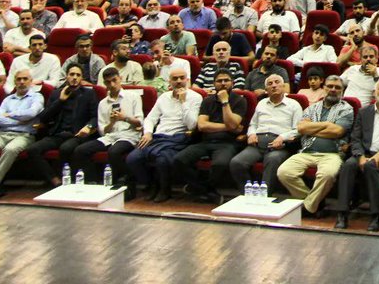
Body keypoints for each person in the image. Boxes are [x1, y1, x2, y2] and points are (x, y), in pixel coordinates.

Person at [334, 80, 379, 231]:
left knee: (370, 166)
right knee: (348, 165)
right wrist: (360, 155)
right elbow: (355, 138)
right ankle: (342, 213)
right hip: (364, 153)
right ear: (375, 92)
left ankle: (376, 215)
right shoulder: (363, 112)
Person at [278, 75, 355, 217]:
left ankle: (307, 208)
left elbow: (337, 131)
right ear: (324, 88)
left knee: (327, 174)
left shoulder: (346, 109)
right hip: (306, 151)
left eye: (337, 87)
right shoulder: (312, 108)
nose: (333, 89)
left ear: (342, 91)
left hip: (332, 154)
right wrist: (326, 125)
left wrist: (312, 128)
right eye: (330, 86)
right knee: (284, 172)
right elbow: (301, 129)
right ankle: (315, 203)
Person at [126, 68, 203, 203]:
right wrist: (148, 132)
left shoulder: (195, 97)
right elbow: (150, 118)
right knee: (133, 158)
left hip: (180, 137)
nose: (178, 81)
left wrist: (183, 102)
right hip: (159, 136)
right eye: (175, 79)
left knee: (162, 159)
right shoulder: (163, 97)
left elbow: (191, 125)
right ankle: (151, 184)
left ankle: (164, 189)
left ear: (187, 80)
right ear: (170, 81)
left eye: (181, 78)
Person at [174, 68, 247, 203]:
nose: (223, 83)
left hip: (227, 143)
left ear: (233, 83)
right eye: (219, 81)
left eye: (226, 80)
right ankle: (205, 190)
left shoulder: (239, 101)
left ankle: (199, 189)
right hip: (206, 140)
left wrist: (225, 102)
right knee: (179, 159)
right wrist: (230, 127)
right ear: (214, 83)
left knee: (220, 164)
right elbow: (202, 125)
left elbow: (232, 123)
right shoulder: (208, 101)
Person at [0, 69, 44, 200]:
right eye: (19, 79)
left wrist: (10, 115)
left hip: (25, 135)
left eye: (25, 79)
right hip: (2, 134)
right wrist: (21, 120)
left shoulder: (37, 97)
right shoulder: (8, 99)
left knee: (10, 149)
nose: (22, 82)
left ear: (31, 82)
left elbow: (31, 113)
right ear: (14, 82)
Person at [70, 66, 143, 186]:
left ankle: (125, 181)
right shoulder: (103, 103)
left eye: (115, 80)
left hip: (129, 136)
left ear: (121, 79)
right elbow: (103, 131)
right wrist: (112, 122)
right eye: (108, 82)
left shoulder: (133, 97)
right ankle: (92, 182)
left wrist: (124, 118)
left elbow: (139, 124)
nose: (113, 84)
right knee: (80, 150)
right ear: (105, 84)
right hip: (110, 136)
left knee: (114, 152)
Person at [229, 73, 301, 194]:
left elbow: (298, 129)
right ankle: (248, 194)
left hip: (279, 145)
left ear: (283, 86)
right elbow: (253, 124)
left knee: (272, 160)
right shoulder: (261, 104)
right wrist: (251, 134)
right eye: (270, 84)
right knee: (237, 162)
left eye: (277, 82)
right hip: (258, 142)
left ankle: (265, 196)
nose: (274, 86)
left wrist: (282, 137)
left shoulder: (294, 105)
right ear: (266, 89)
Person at [28, 64, 98, 187]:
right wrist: (60, 101)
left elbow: (95, 116)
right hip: (57, 134)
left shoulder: (88, 94)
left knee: (65, 148)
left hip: (77, 134)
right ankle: (54, 179)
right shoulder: (56, 94)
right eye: (72, 74)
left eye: (78, 75)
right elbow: (44, 117)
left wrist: (89, 127)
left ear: (82, 78)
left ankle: (67, 180)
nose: (74, 78)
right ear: (66, 76)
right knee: (33, 149)